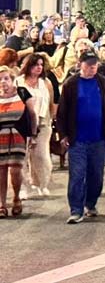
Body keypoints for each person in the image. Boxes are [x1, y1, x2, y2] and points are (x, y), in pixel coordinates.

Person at [56, 52, 105, 224]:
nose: (92, 67)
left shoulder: (102, 82)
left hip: (99, 139)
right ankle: (76, 209)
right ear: (80, 64)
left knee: (96, 175)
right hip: (77, 140)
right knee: (77, 175)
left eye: (95, 64)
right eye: (89, 64)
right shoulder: (71, 84)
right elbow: (62, 113)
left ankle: (91, 203)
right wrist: (63, 135)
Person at [17, 54, 55, 198]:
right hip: (22, 124)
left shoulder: (46, 83)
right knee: (22, 157)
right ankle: (23, 187)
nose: (39, 67)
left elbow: (51, 103)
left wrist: (51, 119)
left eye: (41, 64)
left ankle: (42, 184)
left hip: (43, 122)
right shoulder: (18, 82)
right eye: (36, 64)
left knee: (42, 156)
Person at [0, 65, 35, 217]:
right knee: (1, 171)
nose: (3, 82)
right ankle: (1, 204)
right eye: (0, 79)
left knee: (15, 170)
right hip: (0, 136)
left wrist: (33, 135)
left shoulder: (22, 92)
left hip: (18, 135)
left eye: (6, 78)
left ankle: (16, 198)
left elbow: (33, 114)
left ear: (12, 80)